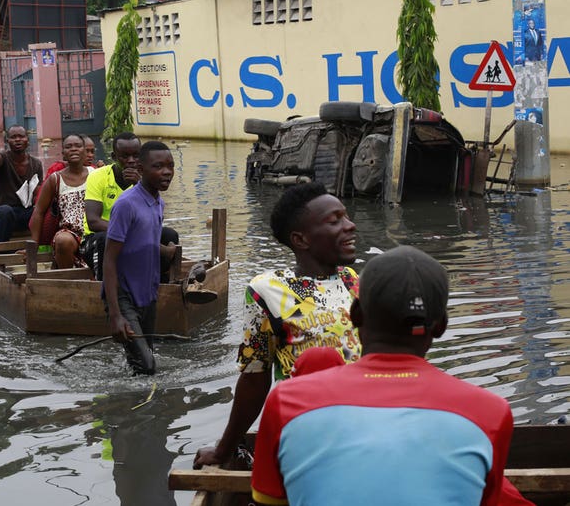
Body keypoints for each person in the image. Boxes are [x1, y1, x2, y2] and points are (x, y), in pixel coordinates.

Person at [250, 245, 515, 506]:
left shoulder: (286, 402)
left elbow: (269, 500)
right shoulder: (490, 413)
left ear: (354, 315)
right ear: (441, 326)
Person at [194, 181, 359, 469]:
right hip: (306, 428)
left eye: (345, 216)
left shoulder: (352, 281)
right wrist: (223, 451)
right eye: (335, 221)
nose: (350, 225)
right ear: (301, 240)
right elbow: (255, 376)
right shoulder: (268, 290)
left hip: (361, 423)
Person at [103, 140, 177, 376]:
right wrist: (115, 315)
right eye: (158, 166)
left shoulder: (158, 203)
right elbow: (109, 260)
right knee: (147, 367)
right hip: (124, 296)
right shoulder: (125, 205)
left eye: (170, 166)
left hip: (148, 294)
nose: (166, 172)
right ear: (141, 170)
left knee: (143, 363)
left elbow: (147, 245)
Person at [82, 132, 179, 280]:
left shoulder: (146, 179)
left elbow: (155, 219)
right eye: (125, 156)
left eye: (136, 155)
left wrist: (139, 185)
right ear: (114, 157)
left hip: (135, 237)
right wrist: (129, 233)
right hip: (98, 239)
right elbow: (93, 221)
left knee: (169, 235)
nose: (131, 161)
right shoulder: (98, 176)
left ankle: (159, 282)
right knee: (105, 239)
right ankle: (104, 288)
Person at [29, 134, 92, 269]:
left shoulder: (96, 174)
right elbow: (39, 211)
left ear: (85, 151)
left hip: (93, 230)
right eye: (69, 147)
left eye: (78, 146)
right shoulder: (55, 179)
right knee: (63, 241)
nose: (74, 149)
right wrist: (34, 244)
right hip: (69, 232)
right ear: (63, 154)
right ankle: (67, 280)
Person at [0, 125, 44, 242]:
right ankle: (2, 251)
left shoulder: (36, 164)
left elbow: (38, 193)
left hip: (25, 214)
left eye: (21, 136)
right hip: (2, 216)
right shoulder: (3, 158)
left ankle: (43, 245)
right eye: (13, 137)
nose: (17, 139)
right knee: (5, 211)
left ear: (27, 140)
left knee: (46, 210)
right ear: (8, 141)